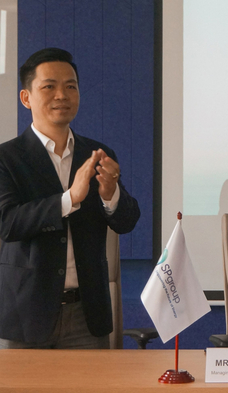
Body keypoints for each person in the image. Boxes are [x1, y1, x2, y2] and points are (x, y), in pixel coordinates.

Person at [0, 48, 140, 349]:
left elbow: (127, 221)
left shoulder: (97, 153)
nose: (61, 95)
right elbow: (7, 223)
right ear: (26, 98)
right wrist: (69, 199)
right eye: (49, 86)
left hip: (86, 315)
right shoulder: (7, 158)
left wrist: (110, 193)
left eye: (71, 86)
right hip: (26, 315)